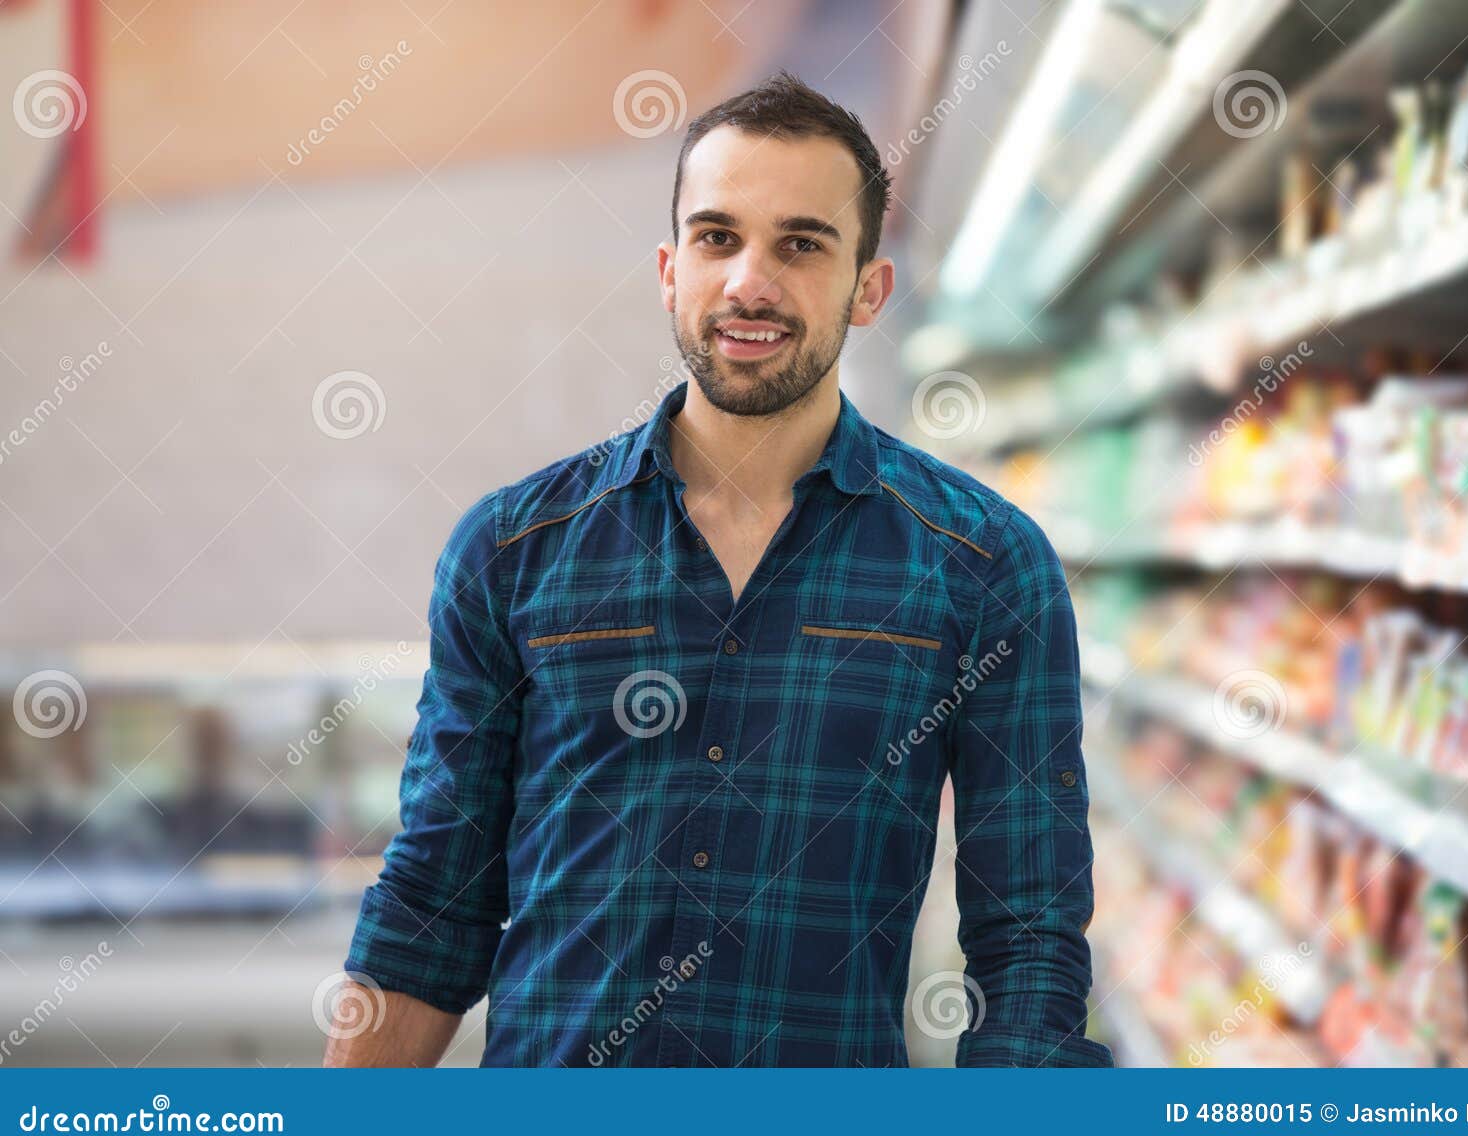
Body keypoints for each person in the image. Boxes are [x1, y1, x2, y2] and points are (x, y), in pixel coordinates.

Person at [324, 71, 1110, 1068]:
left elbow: (1030, 945)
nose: (748, 282)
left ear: (869, 287)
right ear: (669, 270)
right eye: (716, 237)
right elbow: (434, 900)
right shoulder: (515, 550)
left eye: (801, 243)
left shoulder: (984, 565)